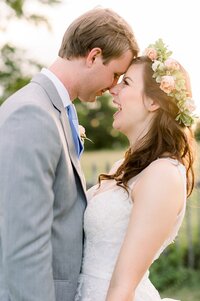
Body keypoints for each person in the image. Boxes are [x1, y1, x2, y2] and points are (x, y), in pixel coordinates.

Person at [0, 7, 139, 301]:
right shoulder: (32, 115)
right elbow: (25, 246)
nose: (113, 87)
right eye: (115, 74)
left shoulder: (56, 112)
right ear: (93, 56)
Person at [74, 39, 196, 301]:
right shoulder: (125, 166)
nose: (112, 90)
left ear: (153, 101)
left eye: (126, 83)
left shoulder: (163, 175)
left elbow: (122, 289)